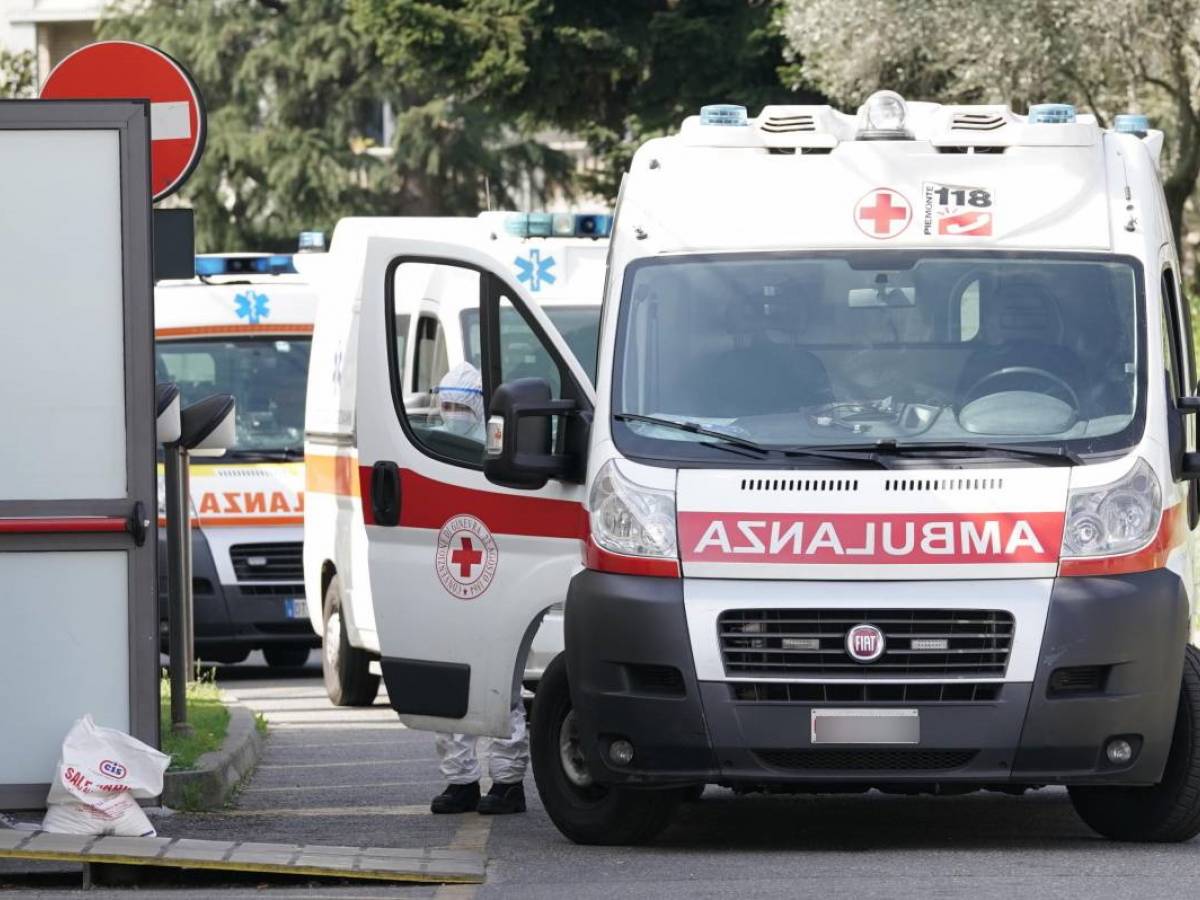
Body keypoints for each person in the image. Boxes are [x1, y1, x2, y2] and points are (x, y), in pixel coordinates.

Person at [427, 361, 530, 815]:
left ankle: (508, 783)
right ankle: (460, 781)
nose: (450, 413)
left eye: (458, 405)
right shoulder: (431, 453)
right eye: (444, 404)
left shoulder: (499, 460)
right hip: (451, 583)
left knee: (499, 687)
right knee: (450, 687)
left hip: (493, 586)